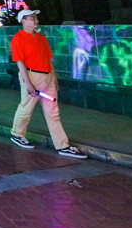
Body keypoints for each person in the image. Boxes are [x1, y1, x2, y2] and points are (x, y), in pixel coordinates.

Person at [9, 9, 86, 158]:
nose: (36, 21)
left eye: (36, 18)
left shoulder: (41, 38)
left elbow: (49, 60)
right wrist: (28, 83)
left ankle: (62, 145)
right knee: (26, 108)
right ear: (23, 21)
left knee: (53, 112)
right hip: (31, 76)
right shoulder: (18, 39)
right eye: (32, 18)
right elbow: (20, 62)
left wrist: (54, 78)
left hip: (47, 77)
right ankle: (17, 134)